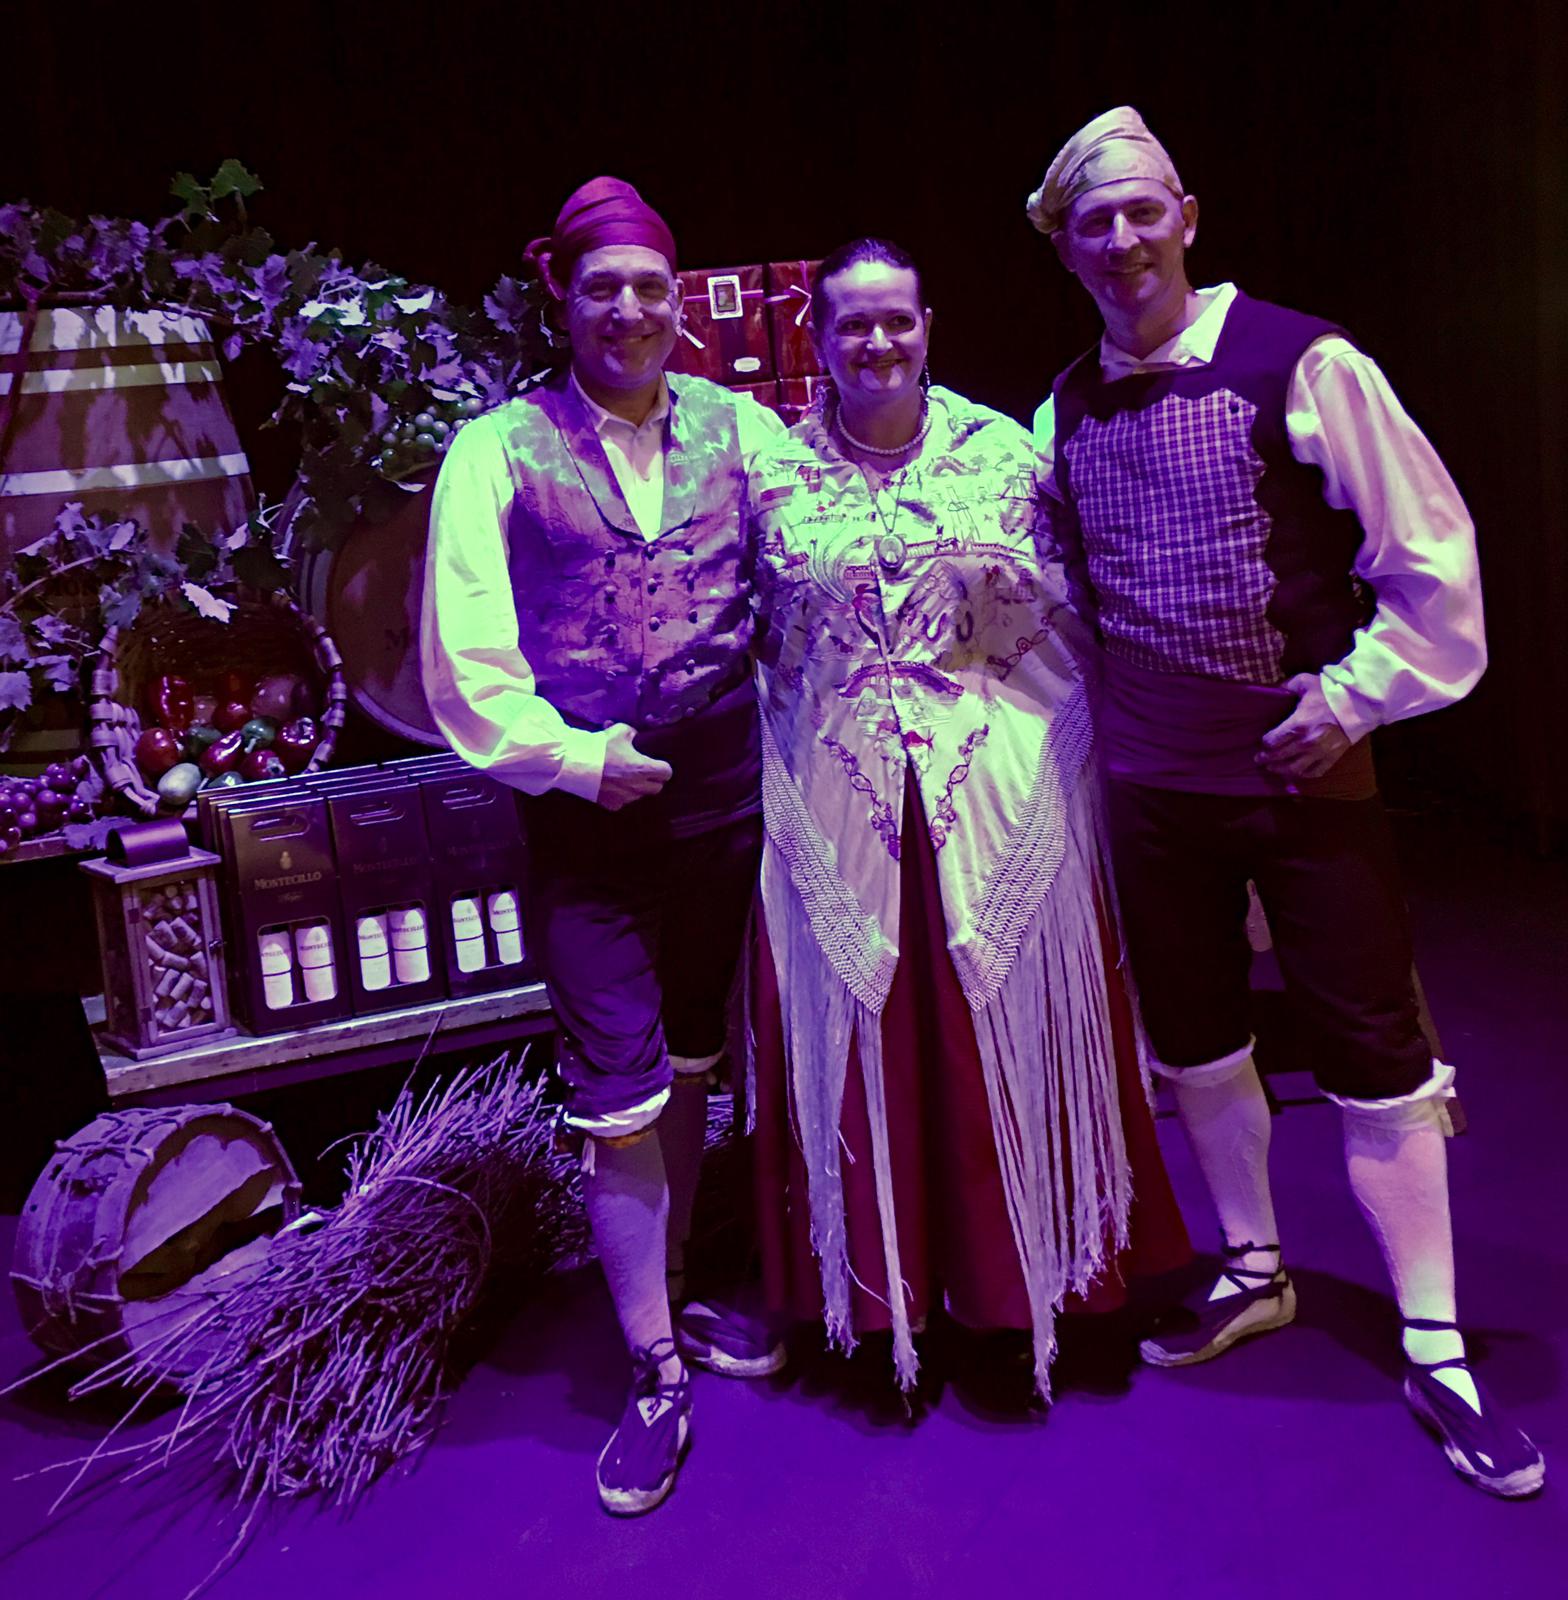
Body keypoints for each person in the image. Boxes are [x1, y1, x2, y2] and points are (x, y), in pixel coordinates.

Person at [1028, 107, 1544, 1496]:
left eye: (1143, 210)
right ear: (1063, 248)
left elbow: (1430, 551)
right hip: (1152, 789)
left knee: (1371, 1041)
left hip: (1301, 778)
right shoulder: (1059, 408)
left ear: (1187, 217)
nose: (1122, 239)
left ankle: (1432, 1339)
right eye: (1093, 221)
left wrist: (1358, 696)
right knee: (1196, 1037)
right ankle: (1253, 1265)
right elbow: (1062, 603)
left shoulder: (1303, 362)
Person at [746, 238, 1190, 1399]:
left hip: (990, 781)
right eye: (852, 323)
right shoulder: (772, 475)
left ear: (928, 325)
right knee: (879, 1052)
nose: (877, 342)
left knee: (996, 1029)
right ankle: (878, 1298)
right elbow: (762, 642)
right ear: (817, 337)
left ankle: (1033, 1283)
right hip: (842, 792)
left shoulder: (1005, 453)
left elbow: (1075, 602)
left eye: (896, 319)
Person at [421, 176, 785, 1516]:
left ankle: (673, 1295)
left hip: (722, 800)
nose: (628, 311)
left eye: (649, 287)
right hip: (585, 819)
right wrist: (577, 761)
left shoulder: (743, 429)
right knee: (616, 1089)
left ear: (677, 301)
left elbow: (815, 564)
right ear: (561, 301)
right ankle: (652, 1368)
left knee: (692, 1059)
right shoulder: (498, 450)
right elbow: (464, 663)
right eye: (602, 289)